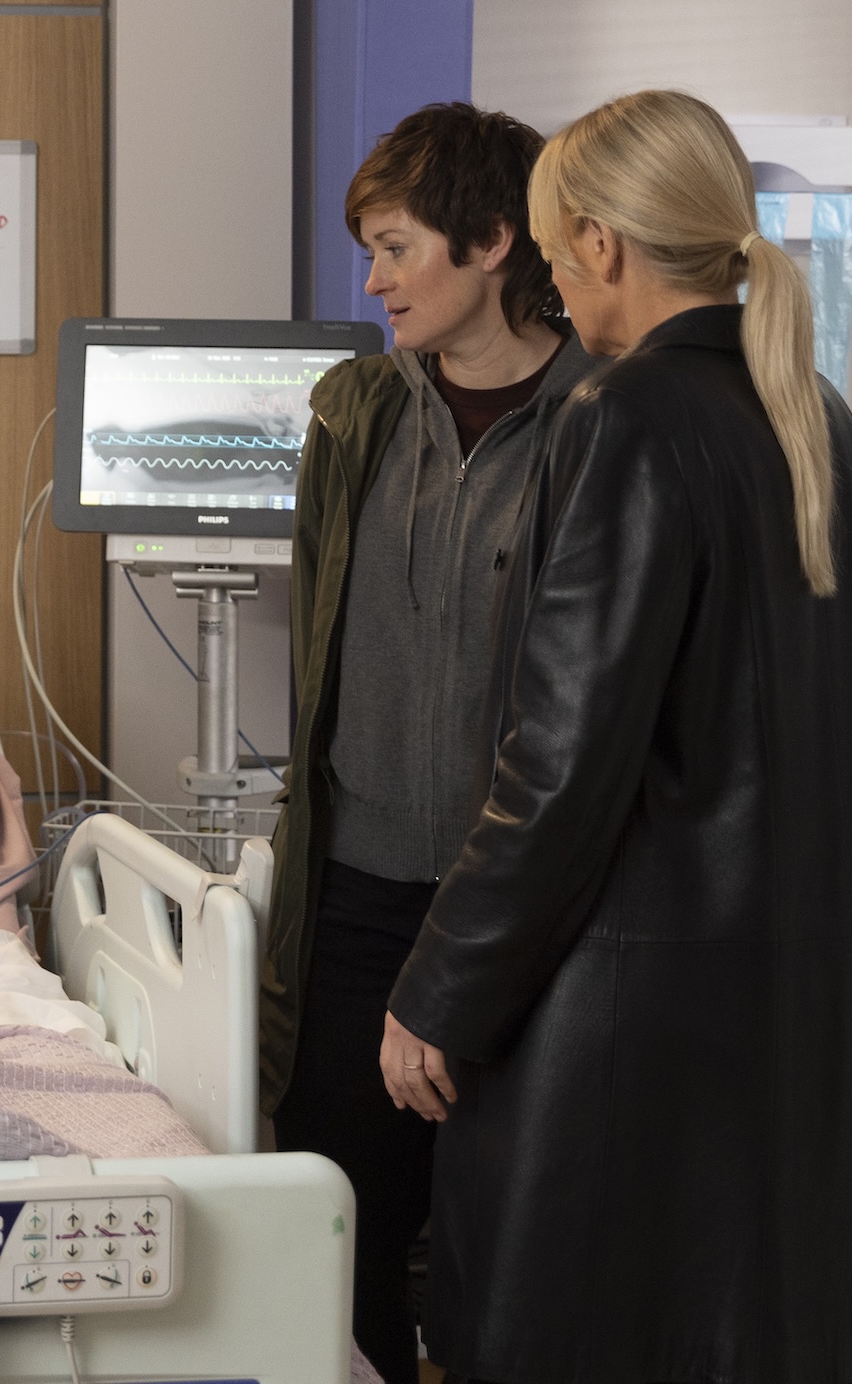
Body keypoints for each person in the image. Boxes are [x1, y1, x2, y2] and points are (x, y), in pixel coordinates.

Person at [379, 90, 852, 1383]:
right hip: (796, 1009)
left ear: (602, 245)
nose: (554, 273)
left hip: (636, 1022)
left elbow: (562, 765)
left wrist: (440, 994)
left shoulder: (621, 420)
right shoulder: (815, 419)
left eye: (557, 247)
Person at [261, 102, 602, 1383]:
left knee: (509, 1251)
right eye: (370, 248)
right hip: (357, 901)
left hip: (522, 911)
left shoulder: (601, 420)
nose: (375, 279)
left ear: (493, 239)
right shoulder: (354, 411)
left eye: (398, 247)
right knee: (347, 1237)